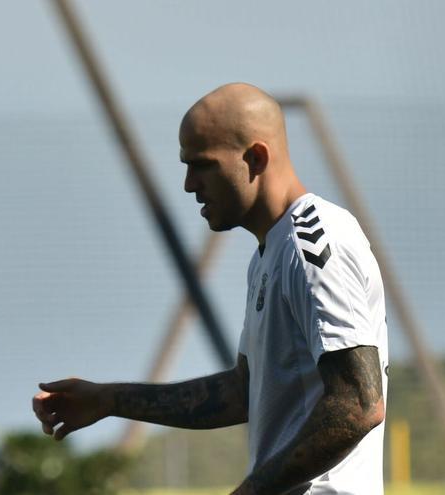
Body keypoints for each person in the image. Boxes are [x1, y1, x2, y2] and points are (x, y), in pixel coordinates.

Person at [33, 82, 388, 495]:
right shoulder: (269, 254)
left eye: (202, 165)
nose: (188, 184)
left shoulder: (313, 243)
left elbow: (359, 404)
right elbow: (242, 391)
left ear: (255, 158)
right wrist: (110, 400)